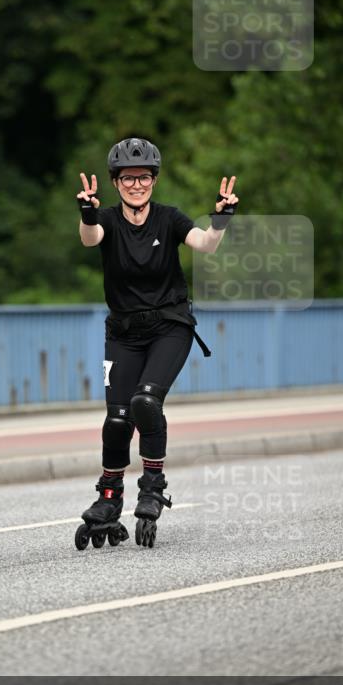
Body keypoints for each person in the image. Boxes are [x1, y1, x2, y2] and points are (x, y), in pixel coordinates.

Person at [75, 136, 239, 549]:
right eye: (128, 178)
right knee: (117, 419)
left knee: (145, 403)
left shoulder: (169, 219)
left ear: (154, 180)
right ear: (116, 182)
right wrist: (87, 213)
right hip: (123, 333)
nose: (136, 185)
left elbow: (204, 244)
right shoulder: (107, 220)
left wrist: (220, 220)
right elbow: (90, 238)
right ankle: (109, 496)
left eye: (144, 177)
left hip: (170, 326)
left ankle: (152, 486)